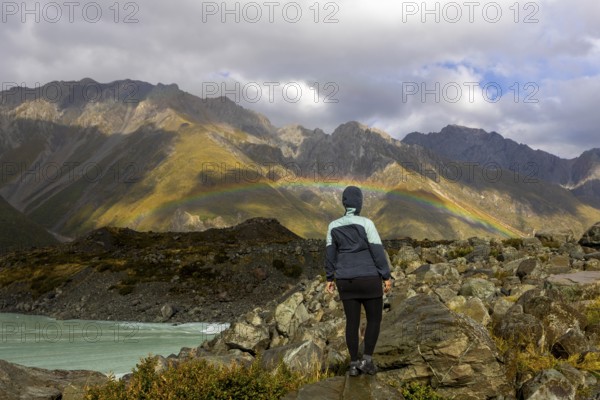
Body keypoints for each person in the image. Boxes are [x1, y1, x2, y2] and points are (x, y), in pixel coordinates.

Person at [325, 185, 392, 376]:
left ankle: (353, 364)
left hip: (345, 281)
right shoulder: (366, 223)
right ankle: (367, 360)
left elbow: (330, 255)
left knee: (352, 323)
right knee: (374, 319)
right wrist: (385, 275)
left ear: (344, 203)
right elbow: (377, 252)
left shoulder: (333, 226)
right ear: (359, 203)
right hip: (369, 279)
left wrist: (330, 277)